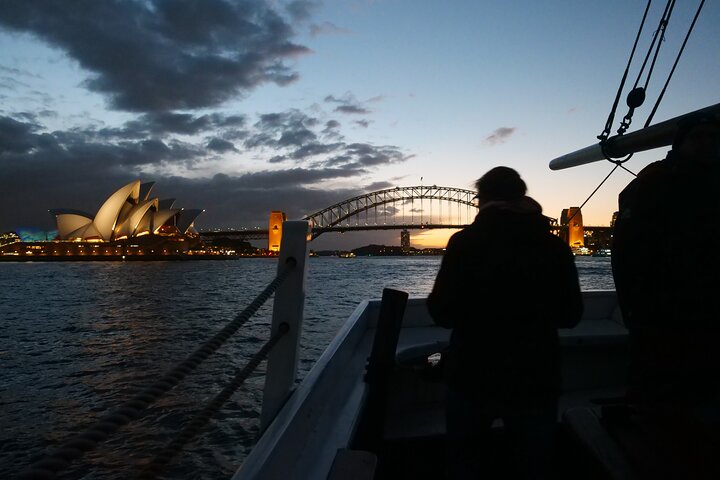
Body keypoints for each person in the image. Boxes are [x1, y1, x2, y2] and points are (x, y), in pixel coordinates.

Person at [427, 166, 583, 479]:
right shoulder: (554, 246)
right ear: (522, 196)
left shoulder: (463, 243)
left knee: (465, 463)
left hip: (472, 374)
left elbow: (441, 313)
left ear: (481, 200)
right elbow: (571, 315)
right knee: (534, 464)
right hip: (536, 376)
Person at [611, 113, 720, 478]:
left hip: (702, 310)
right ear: (682, 144)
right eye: (699, 138)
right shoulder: (655, 183)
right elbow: (630, 254)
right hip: (664, 309)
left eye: (712, 138)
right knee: (661, 391)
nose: (707, 145)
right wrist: (637, 305)